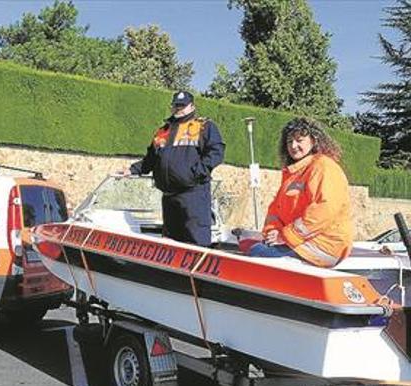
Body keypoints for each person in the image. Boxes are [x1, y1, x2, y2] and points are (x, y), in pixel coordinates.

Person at [123, 91, 226, 246]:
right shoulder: (163, 131)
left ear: (192, 106)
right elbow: (151, 159)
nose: (179, 109)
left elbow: (216, 151)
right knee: (171, 243)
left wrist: (197, 173)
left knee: (196, 241)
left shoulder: (203, 126)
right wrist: (133, 170)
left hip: (193, 194)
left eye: (183, 106)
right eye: (176, 106)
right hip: (169, 196)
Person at [247, 117, 353, 268]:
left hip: (323, 246)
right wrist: (273, 231)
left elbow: (325, 209)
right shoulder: (294, 173)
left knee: (257, 252)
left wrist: (285, 235)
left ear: (313, 141)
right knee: (253, 247)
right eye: (289, 141)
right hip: (302, 243)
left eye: (299, 140)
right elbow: (275, 211)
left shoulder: (324, 167)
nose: (293, 146)